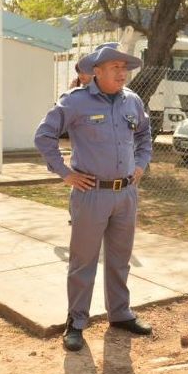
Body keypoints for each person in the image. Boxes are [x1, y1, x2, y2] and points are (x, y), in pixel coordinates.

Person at [34, 42, 153, 351]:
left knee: (120, 259)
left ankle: (120, 313)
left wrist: (140, 165)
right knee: (83, 262)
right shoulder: (76, 102)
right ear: (96, 72)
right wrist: (64, 172)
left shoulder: (133, 101)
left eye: (125, 67)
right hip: (91, 194)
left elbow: (144, 135)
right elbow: (44, 135)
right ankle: (76, 322)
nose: (122, 72)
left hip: (125, 194)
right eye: (115, 67)